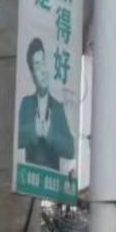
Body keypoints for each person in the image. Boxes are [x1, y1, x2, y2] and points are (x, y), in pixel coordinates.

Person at [17, 37, 77, 171]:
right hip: (28, 181)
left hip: (52, 183)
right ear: (32, 74)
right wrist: (35, 131)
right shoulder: (26, 103)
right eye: (37, 66)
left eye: (43, 62)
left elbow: (70, 149)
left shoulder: (57, 108)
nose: (43, 70)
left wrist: (50, 134)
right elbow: (16, 137)